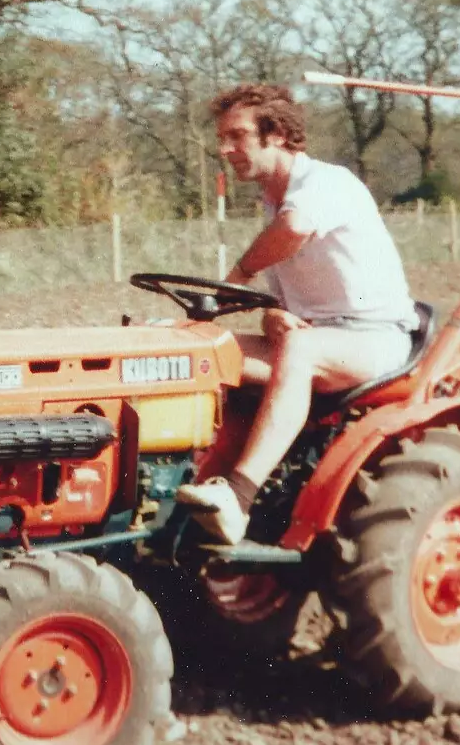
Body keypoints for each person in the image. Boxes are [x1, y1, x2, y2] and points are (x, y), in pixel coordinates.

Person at [173, 83, 418, 544]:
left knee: (301, 347)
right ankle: (170, 490)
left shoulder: (325, 185)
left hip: (374, 340)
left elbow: (294, 230)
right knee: (192, 347)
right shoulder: (273, 203)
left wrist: (238, 275)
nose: (225, 149)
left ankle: (239, 496)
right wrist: (272, 317)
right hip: (317, 340)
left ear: (278, 135)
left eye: (237, 136)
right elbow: (282, 306)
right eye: (222, 137)